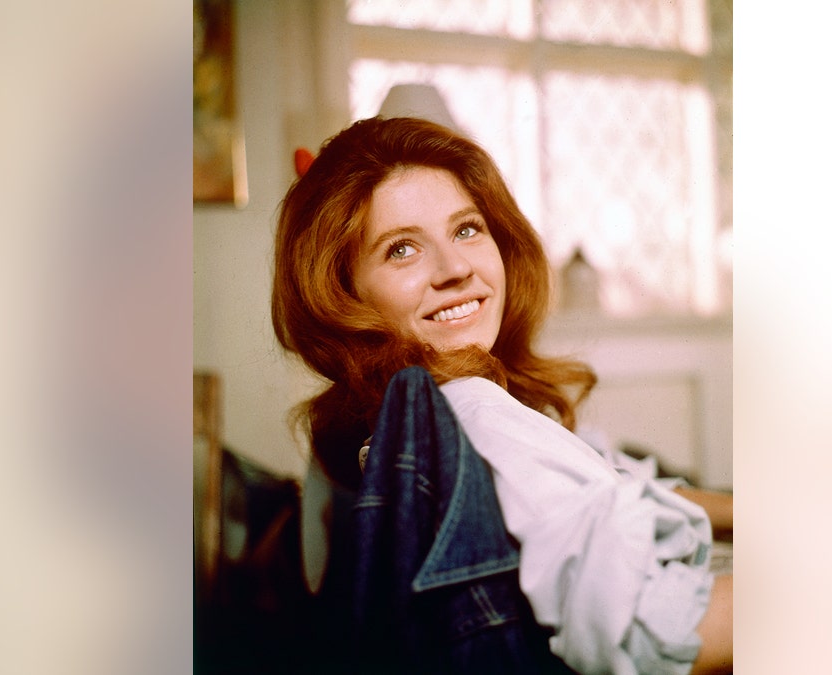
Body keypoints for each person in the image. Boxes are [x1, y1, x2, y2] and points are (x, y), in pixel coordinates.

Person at [272, 116, 732, 674]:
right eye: (401, 250)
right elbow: (653, 631)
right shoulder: (472, 410)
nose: (457, 268)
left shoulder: (409, 420)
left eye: (466, 229)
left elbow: (605, 478)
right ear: (342, 293)